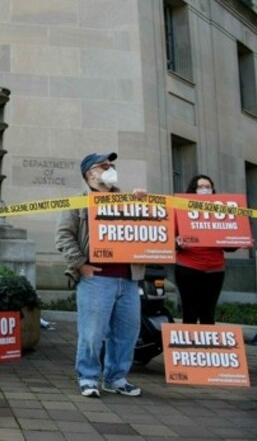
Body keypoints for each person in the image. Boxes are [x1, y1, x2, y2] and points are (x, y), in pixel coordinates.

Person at [55, 152, 146, 398]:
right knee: (92, 333)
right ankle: (88, 377)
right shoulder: (78, 202)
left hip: (128, 279)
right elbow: (63, 236)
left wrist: (145, 203)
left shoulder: (128, 199)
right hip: (96, 279)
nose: (109, 168)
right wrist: (81, 264)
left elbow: (148, 228)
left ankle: (116, 378)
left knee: (127, 332)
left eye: (111, 165)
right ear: (89, 174)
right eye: (103, 166)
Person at [174, 175, 250, 324]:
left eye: (208, 187)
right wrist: (177, 243)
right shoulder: (181, 209)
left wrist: (240, 241)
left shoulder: (221, 210)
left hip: (215, 270)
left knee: (208, 314)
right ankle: (190, 346)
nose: (205, 190)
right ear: (193, 190)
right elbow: (170, 239)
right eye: (201, 187)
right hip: (188, 268)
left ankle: (207, 347)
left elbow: (228, 246)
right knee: (190, 313)